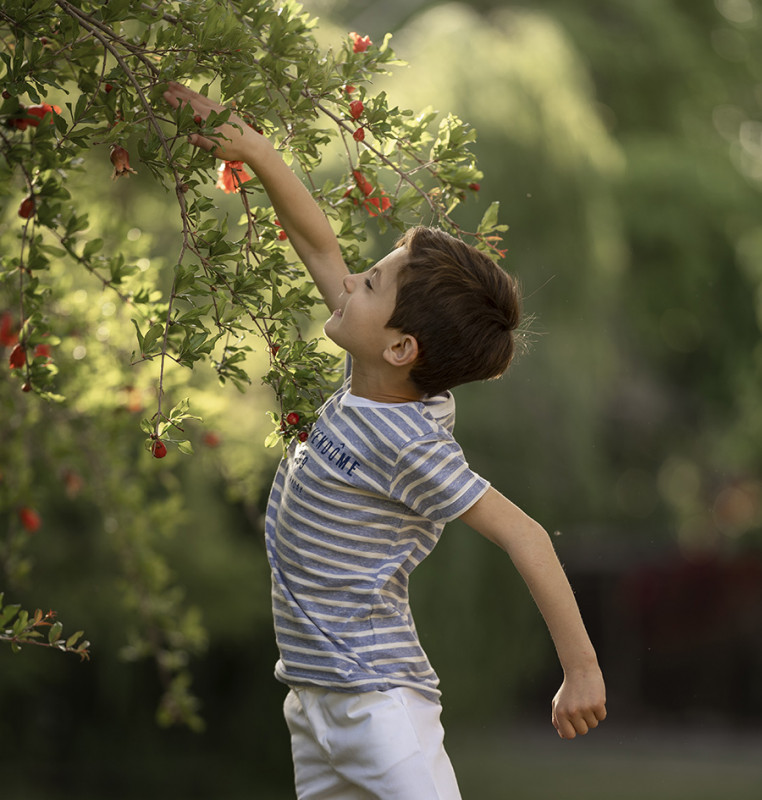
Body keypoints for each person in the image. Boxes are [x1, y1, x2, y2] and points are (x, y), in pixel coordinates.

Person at [163, 81, 607, 800]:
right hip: (313, 701)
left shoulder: (408, 441)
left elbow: (528, 536)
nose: (348, 288)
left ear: (401, 347)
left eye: (368, 285)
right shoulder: (371, 375)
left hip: (377, 706)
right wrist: (254, 150)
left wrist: (581, 668)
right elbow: (316, 241)